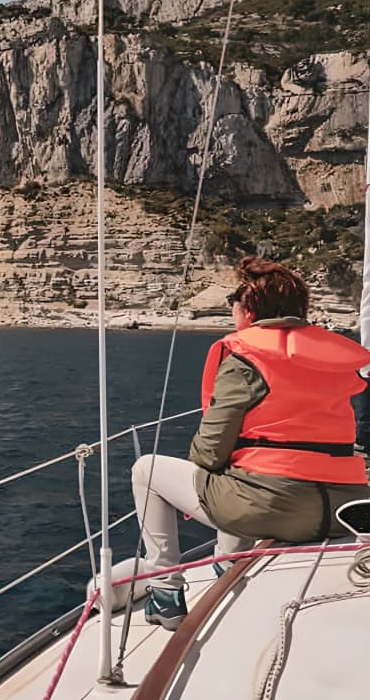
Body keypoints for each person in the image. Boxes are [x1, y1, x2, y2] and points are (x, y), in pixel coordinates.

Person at [131, 256, 370, 630]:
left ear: (249, 308)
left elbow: (209, 452)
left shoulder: (246, 358)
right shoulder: (331, 362)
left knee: (146, 470)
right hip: (344, 508)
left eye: (233, 299)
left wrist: (200, 478)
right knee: (246, 470)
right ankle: (228, 566)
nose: (231, 307)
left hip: (272, 508)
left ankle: (165, 595)